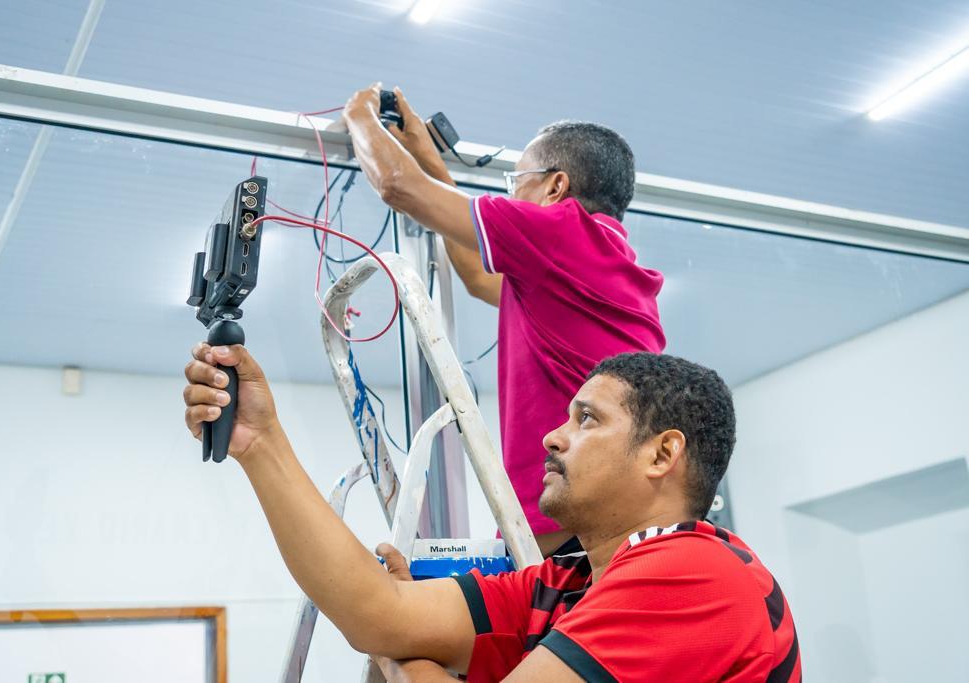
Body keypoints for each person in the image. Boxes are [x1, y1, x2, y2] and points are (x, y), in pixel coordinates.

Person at [182, 345, 801, 682]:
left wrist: (396, 654)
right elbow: (379, 613)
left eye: (587, 419)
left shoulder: (695, 571)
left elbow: (384, 632)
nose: (553, 438)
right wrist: (259, 443)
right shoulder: (569, 584)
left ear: (662, 453)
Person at [342, 85, 666, 554]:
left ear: (556, 187)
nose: (510, 196)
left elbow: (398, 187)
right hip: (611, 524)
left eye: (516, 183)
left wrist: (359, 114)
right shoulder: (605, 265)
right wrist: (431, 161)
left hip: (567, 530)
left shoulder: (562, 231)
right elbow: (476, 276)